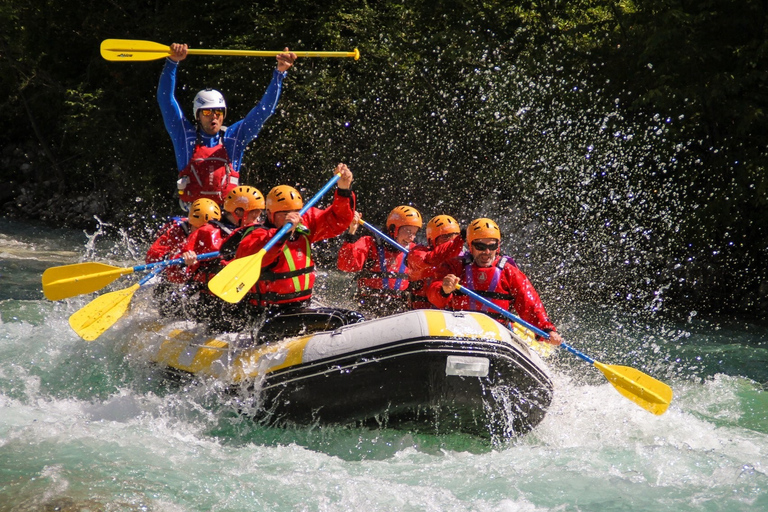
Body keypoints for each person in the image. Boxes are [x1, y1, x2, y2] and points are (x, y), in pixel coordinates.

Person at [157, 42, 297, 208]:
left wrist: (279, 74)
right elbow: (166, 100)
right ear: (198, 115)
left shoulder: (233, 137)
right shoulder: (185, 136)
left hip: (227, 218)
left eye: (218, 112)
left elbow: (263, 110)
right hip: (194, 217)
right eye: (208, 112)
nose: (214, 117)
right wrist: (172, 63)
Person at [233, 163, 356, 322]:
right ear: (270, 215)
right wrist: (282, 233)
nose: (293, 217)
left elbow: (339, 221)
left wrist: (344, 190)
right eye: (284, 214)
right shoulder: (257, 234)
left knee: (352, 317)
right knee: (341, 320)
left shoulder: (305, 223)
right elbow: (255, 256)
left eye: (296, 212)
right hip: (269, 316)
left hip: (301, 308)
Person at [427, 218, 562, 345]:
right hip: (459, 330)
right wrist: (444, 289)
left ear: (498, 246)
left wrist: (547, 330)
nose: (487, 252)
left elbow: (530, 303)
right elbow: (434, 297)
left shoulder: (509, 272)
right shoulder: (454, 267)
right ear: (470, 246)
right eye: (480, 246)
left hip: (497, 333)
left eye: (492, 246)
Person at [337, 206, 423, 316]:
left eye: (415, 233)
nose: (411, 237)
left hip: (401, 311)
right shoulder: (370, 244)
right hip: (369, 308)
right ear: (393, 229)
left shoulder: (415, 252)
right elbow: (345, 265)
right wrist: (352, 232)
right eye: (408, 231)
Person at [145, 198, 224, 317]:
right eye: (198, 229)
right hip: (172, 279)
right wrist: (178, 258)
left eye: (205, 231)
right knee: (171, 297)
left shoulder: (216, 235)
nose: (200, 235)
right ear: (190, 223)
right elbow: (152, 258)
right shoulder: (176, 231)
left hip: (197, 281)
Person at [408, 214, 465, 310]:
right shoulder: (417, 253)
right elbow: (433, 257)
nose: (452, 240)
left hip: (450, 314)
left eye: (455, 236)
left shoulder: (464, 259)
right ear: (431, 241)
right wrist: (458, 240)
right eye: (446, 237)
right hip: (420, 313)